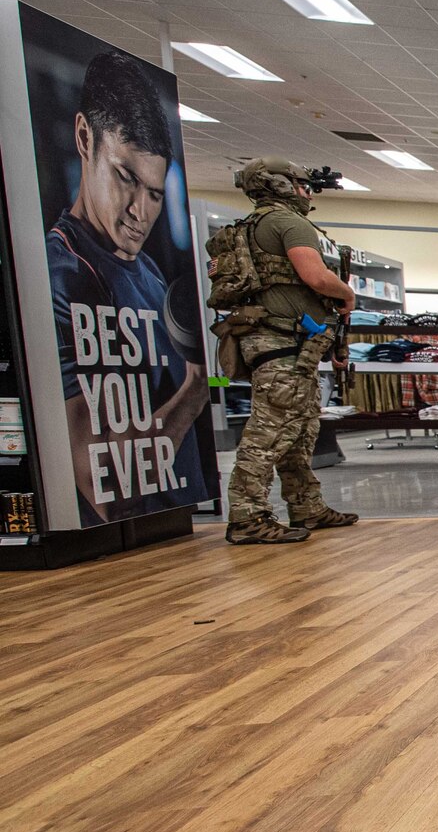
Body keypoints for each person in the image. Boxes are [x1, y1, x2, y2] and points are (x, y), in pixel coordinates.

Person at [45, 49, 211, 525]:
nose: (140, 212)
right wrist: (197, 390)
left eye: (155, 194)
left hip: (174, 529)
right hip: (125, 554)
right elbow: (110, 492)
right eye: (125, 178)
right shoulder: (65, 277)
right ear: (84, 138)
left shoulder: (146, 271)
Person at [223, 157, 357, 544]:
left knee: (298, 428)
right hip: (282, 343)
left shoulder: (249, 227)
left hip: (282, 342)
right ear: (281, 185)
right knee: (270, 430)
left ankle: (306, 505)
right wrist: (345, 293)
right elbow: (315, 276)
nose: (307, 192)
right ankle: (247, 516)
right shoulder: (287, 222)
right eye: (302, 185)